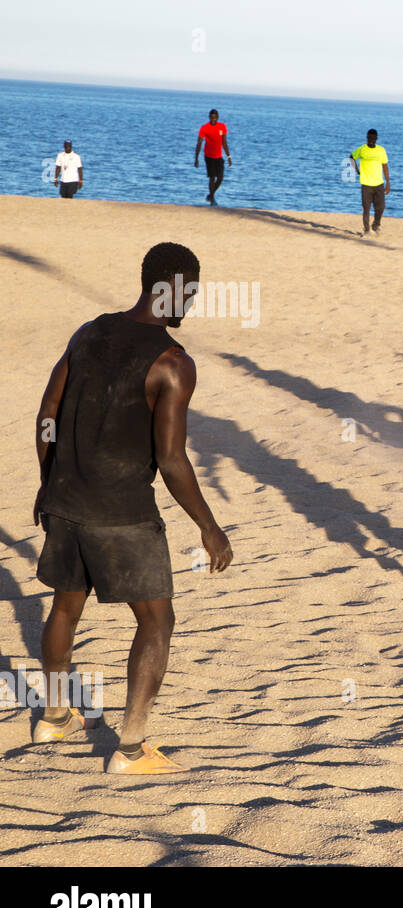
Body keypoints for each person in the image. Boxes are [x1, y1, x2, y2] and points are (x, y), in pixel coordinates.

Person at [32, 242, 233, 773]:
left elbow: (48, 412)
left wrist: (49, 479)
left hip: (65, 499)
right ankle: (129, 747)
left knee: (64, 607)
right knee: (157, 620)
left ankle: (54, 716)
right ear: (173, 289)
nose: (190, 303)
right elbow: (170, 459)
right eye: (189, 292)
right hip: (122, 513)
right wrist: (210, 529)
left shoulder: (89, 331)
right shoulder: (172, 363)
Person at [349, 129, 391, 236]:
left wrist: (388, 182)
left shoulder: (381, 150)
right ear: (367, 138)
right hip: (366, 184)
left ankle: (376, 225)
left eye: (373, 138)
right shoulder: (362, 149)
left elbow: (385, 166)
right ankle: (367, 230)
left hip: (379, 184)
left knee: (381, 207)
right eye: (369, 138)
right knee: (366, 208)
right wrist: (357, 170)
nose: (371, 140)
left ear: (376, 139)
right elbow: (351, 158)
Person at [194, 109, 232, 206]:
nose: (213, 119)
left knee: (220, 178)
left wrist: (228, 156)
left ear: (217, 118)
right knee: (212, 178)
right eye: (211, 118)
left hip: (219, 156)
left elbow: (224, 143)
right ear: (209, 117)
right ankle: (212, 200)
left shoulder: (222, 127)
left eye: (215, 118)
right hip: (209, 156)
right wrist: (196, 158)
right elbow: (199, 143)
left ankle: (211, 195)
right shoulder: (204, 128)